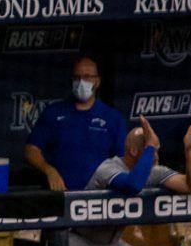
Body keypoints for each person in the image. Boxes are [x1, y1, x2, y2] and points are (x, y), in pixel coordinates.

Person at [24, 56, 127, 193]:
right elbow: (30, 150)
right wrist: (49, 170)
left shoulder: (112, 117)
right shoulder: (54, 112)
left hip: (98, 199)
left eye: (87, 77)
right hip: (58, 197)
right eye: (77, 77)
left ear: (97, 81)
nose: (81, 82)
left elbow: (124, 160)